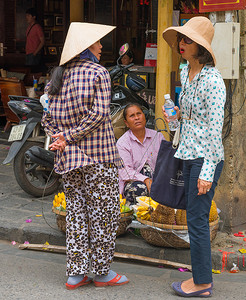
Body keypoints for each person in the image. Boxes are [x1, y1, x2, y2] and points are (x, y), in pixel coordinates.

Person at [41, 22, 129, 290]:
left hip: (69, 160)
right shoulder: (98, 72)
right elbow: (100, 113)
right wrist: (68, 137)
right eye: (97, 42)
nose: (101, 46)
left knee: (76, 213)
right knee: (103, 214)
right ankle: (102, 273)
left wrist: (60, 137)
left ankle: (76, 274)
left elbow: (46, 117)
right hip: (98, 157)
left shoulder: (56, 78)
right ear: (85, 48)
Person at [162, 17, 225, 297]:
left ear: (200, 47)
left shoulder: (213, 80)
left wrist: (207, 171)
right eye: (180, 39)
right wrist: (173, 119)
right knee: (193, 220)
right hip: (187, 153)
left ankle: (202, 283)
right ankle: (200, 278)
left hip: (204, 158)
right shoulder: (186, 74)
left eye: (187, 40)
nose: (181, 44)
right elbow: (185, 122)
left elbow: (214, 128)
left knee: (197, 222)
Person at [117, 103, 164, 203]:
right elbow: (125, 171)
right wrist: (146, 179)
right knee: (138, 189)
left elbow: (166, 162)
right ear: (126, 123)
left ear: (144, 116)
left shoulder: (158, 136)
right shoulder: (123, 143)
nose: (137, 118)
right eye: (132, 116)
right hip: (134, 182)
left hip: (157, 179)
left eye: (139, 114)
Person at [25, 8, 45, 72]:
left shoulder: (37, 27)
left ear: (34, 17)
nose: (26, 17)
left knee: (32, 72)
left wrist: (35, 53)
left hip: (33, 54)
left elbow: (42, 41)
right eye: (26, 16)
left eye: (28, 16)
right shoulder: (29, 27)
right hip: (28, 53)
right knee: (28, 72)